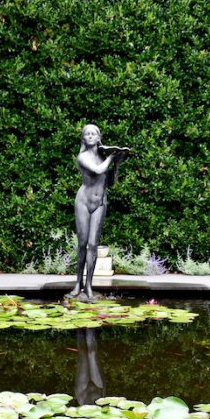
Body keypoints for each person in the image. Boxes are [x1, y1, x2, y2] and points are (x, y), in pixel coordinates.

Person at [66, 124, 129, 302]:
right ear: (83, 138)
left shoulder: (103, 157)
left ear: (99, 137)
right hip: (83, 202)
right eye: (87, 134)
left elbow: (110, 181)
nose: (91, 136)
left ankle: (89, 286)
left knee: (93, 244)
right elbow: (97, 170)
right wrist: (111, 157)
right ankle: (78, 283)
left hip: (100, 202)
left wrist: (116, 163)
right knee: (82, 243)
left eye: (94, 133)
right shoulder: (82, 157)